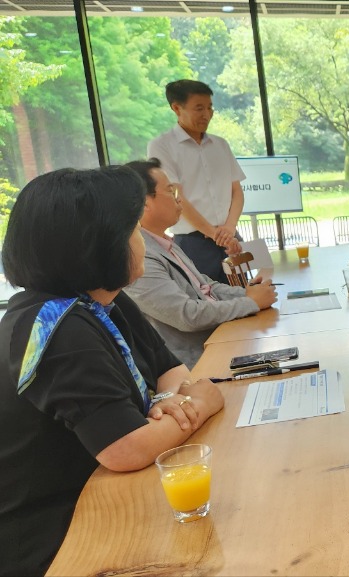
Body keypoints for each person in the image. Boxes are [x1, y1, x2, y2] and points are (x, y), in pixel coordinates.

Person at [0, 167, 225, 576]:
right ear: (98, 246)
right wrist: (199, 405)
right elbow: (124, 449)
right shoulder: (57, 328)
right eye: (132, 232)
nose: (141, 241)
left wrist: (171, 403)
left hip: (111, 500)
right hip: (55, 540)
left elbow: (171, 371)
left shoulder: (105, 303)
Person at [123, 158, 277, 369]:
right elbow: (187, 315)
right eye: (171, 191)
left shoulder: (166, 242)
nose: (179, 200)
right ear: (145, 203)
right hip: (197, 362)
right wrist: (251, 303)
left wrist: (247, 294)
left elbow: (205, 286)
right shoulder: (141, 256)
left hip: (221, 338)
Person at [148, 79, 246, 284]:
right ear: (176, 108)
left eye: (210, 107)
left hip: (231, 239)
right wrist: (214, 233)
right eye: (199, 108)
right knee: (206, 304)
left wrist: (230, 228)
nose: (206, 114)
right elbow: (177, 197)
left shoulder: (220, 145)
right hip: (194, 243)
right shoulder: (161, 146)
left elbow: (236, 191)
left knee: (248, 296)